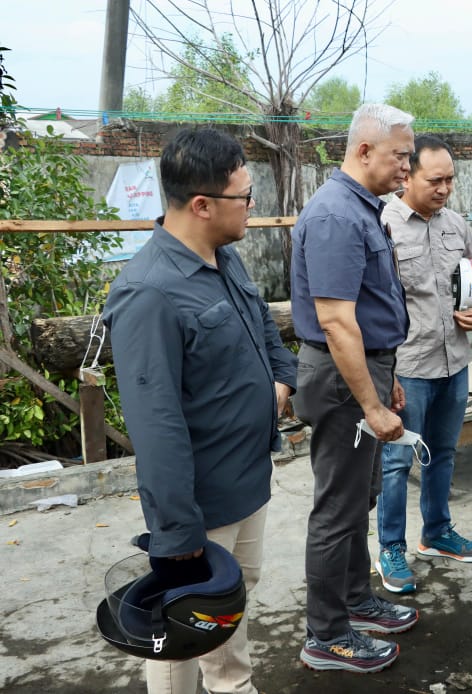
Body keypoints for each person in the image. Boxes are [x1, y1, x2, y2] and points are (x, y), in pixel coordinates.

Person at [103, 128, 298, 694]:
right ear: (202, 204)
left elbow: (261, 321)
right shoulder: (149, 293)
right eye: (244, 195)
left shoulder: (223, 257)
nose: (252, 204)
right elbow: (155, 423)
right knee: (183, 619)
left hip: (248, 476)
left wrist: (282, 379)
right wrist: (176, 527)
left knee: (230, 594)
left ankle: (232, 684)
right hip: (201, 497)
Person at [290, 103, 419, 673]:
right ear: (364, 151)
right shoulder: (337, 217)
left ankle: (354, 600)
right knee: (337, 508)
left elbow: (366, 312)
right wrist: (368, 397)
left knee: (357, 498)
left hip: (364, 370)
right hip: (344, 382)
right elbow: (338, 322)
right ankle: (328, 636)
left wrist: (383, 382)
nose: (406, 169)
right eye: (400, 156)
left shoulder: (362, 208)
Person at [374, 135, 472, 593]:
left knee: (443, 454)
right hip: (408, 366)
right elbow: (369, 305)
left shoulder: (457, 226)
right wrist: (381, 375)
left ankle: (437, 532)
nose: (445, 188)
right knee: (395, 461)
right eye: (435, 180)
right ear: (408, 175)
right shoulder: (382, 224)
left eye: (450, 180)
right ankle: (391, 548)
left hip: (455, 363)